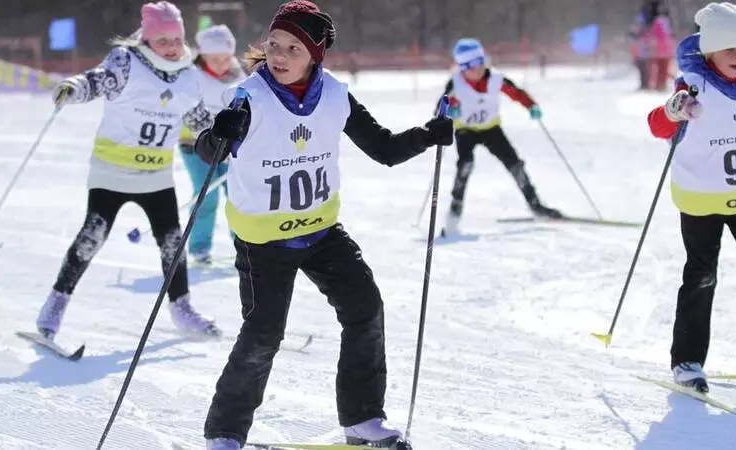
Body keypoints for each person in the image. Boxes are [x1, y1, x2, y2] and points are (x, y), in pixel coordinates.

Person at [194, 1, 452, 448]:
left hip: (320, 231)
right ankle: (225, 434)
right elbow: (207, 152)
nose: (278, 55)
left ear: (315, 55)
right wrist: (220, 133)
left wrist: (428, 135)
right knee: (262, 335)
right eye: (274, 44)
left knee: (365, 309)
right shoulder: (249, 97)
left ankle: (363, 419)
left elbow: (384, 149)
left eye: (292, 48)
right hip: (264, 241)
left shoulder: (334, 95)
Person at [35, 1, 221, 340]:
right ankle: (57, 300)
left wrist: (223, 136)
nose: (171, 46)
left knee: (172, 243)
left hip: (156, 176)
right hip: (112, 171)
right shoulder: (127, 61)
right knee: (93, 236)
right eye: (162, 39)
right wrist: (74, 88)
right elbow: (97, 80)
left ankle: (182, 306)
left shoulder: (189, 74)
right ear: (147, 39)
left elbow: (197, 118)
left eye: (176, 39)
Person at [646, 2, 736, 393]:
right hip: (702, 198)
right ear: (709, 51)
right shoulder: (693, 85)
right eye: (728, 49)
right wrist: (674, 110)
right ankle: (687, 361)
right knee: (702, 276)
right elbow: (657, 125)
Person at [437, 38, 562, 236]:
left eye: (480, 62)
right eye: (471, 66)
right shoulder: (456, 83)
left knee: (515, 164)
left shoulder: (496, 78)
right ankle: (454, 212)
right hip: (466, 131)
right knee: (465, 165)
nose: (477, 69)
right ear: (462, 67)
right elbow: (441, 107)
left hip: (491, 129)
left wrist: (531, 106)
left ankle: (535, 204)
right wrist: (451, 110)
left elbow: (516, 93)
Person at [178, 24, 246, 264]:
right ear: (202, 56)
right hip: (196, 146)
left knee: (237, 196)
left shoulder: (241, 77)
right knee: (207, 195)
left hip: (231, 149)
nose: (220, 63)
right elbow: (183, 106)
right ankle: (199, 246)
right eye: (214, 58)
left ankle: (243, 244)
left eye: (225, 58)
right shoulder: (191, 76)